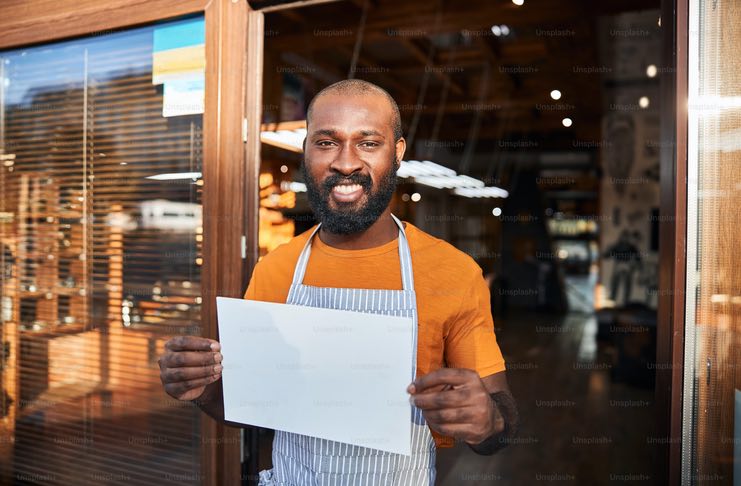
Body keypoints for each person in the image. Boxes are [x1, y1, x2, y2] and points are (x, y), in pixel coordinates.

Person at [159, 79, 518, 485]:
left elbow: (500, 421)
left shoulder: (453, 272)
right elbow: (246, 405)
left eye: (368, 143)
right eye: (327, 142)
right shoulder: (276, 269)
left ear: (397, 153)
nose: (346, 163)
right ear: (306, 149)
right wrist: (201, 388)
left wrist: (487, 419)